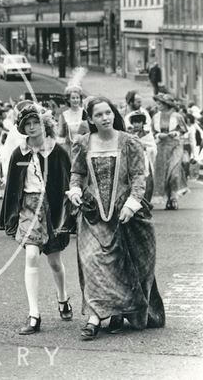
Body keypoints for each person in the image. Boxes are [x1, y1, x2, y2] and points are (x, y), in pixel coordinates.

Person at [67, 96, 165, 340]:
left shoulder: (129, 142)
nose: (105, 118)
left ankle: (118, 313)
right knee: (92, 264)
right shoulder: (83, 143)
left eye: (108, 112)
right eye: (98, 114)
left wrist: (132, 204)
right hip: (93, 217)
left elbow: (138, 177)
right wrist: (76, 191)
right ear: (90, 119)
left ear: (114, 114)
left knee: (122, 266)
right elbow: (77, 173)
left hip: (124, 216)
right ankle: (94, 317)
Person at [0, 102, 73, 335]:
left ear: (44, 125)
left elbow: (68, 182)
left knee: (54, 261)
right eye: (27, 124)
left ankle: (62, 298)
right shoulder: (19, 153)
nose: (31, 128)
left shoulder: (57, 151)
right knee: (31, 256)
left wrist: (69, 215)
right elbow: (12, 186)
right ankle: (34, 315)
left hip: (51, 209)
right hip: (28, 208)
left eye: (35, 123)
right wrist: (9, 217)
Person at [151, 93, 189, 210]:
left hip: (175, 146)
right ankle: (169, 198)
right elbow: (151, 132)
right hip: (161, 147)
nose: (158, 105)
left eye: (160, 103)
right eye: (157, 103)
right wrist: (158, 134)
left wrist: (176, 133)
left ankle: (174, 197)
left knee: (174, 173)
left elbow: (184, 130)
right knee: (164, 174)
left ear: (166, 104)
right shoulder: (155, 117)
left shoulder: (177, 116)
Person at [129, 112, 157, 202]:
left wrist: (144, 147)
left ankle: (146, 202)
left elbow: (153, 148)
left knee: (147, 180)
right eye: (134, 122)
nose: (136, 124)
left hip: (145, 159)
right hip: (132, 161)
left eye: (138, 122)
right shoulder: (129, 134)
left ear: (143, 123)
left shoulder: (147, 135)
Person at [58, 80, 89, 156]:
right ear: (68, 100)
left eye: (77, 98)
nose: (76, 100)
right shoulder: (64, 115)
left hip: (84, 149)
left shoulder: (85, 113)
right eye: (73, 98)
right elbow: (61, 134)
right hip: (70, 150)